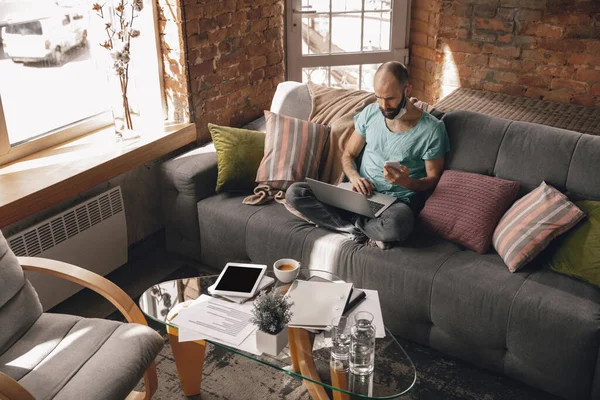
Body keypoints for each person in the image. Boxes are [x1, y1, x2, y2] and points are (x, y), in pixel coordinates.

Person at [286, 61, 450, 249]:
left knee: (398, 225)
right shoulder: (371, 113)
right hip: (358, 195)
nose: (383, 105)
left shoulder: (432, 129)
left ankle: (349, 225)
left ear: (407, 90)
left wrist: (407, 182)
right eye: (378, 97)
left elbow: (434, 179)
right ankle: (362, 232)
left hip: (394, 205)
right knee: (296, 193)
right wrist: (355, 178)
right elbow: (348, 154)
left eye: (389, 98)